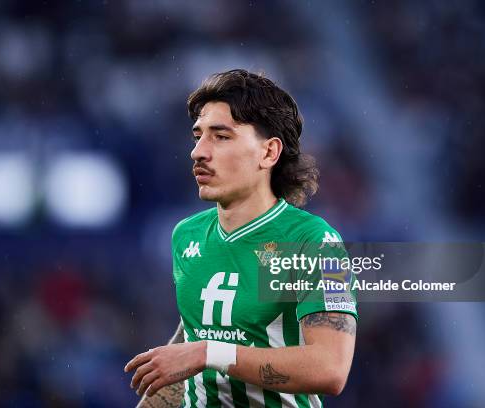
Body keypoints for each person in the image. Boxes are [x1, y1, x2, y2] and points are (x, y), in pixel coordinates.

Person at [125, 69, 357, 407]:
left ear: (268, 153)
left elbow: (331, 368)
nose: (198, 152)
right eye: (197, 136)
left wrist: (209, 352)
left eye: (221, 136)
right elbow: (188, 351)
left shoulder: (315, 242)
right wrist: (195, 354)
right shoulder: (187, 236)